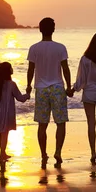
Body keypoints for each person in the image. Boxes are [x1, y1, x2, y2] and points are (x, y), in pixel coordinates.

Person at [26, 17, 72, 168]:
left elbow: (31, 69)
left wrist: (28, 86)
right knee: (60, 123)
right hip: (58, 87)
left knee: (42, 124)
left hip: (41, 88)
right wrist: (69, 86)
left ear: (40, 29)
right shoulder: (60, 48)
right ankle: (58, 151)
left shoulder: (34, 48)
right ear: (53, 29)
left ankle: (43, 154)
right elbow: (65, 68)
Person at [70, 32, 96, 166]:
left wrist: (73, 89)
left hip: (89, 94)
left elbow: (81, 80)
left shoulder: (85, 59)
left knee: (91, 125)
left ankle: (93, 152)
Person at [0, 62, 31, 162]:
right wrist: (28, 94)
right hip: (7, 112)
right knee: (5, 134)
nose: (12, 69)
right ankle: (1, 155)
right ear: (7, 71)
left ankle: (3, 152)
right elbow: (20, 98)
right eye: (10, 67)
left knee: (1, 133)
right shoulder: (11, 84)